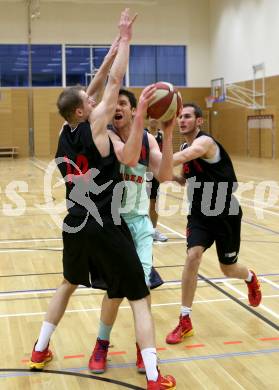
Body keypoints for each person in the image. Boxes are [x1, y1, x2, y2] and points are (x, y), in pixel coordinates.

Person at [28, 9, 175, 390]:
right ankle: (156, 376)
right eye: (89, 103)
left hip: (74, 222)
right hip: (107, 224)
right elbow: (113, 83)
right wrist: (125, 40)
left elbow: (92, 89)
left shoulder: (66, 130)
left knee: (67, 283)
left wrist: (109, 51)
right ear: (83, 111)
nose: (96, 103)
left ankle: (40, 349)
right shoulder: (98, 130)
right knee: (139, 298)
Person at [88, 88, 176, 380]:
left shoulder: (148, 139)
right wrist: (141, 117)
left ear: (133, 108)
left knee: (142, 290)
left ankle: (144, 346)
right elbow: (126, 159)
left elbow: (163, 175)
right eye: (115, 103)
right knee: (114, 292)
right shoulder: (107, 135)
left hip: (138, 224)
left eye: (124, 103)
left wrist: (168, 131)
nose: (118, 107)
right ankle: (101, 343)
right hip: (113, 224)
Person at [166, 103, 262, 345]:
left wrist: (160, 160)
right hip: (199, 214)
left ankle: (250, 277)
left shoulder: (205, 143)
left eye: (187, 116)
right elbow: (185, 177)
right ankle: (185, 319)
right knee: (192, 256)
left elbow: (186, 156)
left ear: (199, 121)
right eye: (180, 117)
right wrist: (172, 176)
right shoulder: (184, 146)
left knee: (228, 269)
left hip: (225, 212)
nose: (182, 120)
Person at [147, 118, 168, 242]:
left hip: (155, 174)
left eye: (156, 118)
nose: (154, 120)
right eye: (151, 117)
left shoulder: (162, 135)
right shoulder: (143, 134)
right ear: (148, 120)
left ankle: (153, 230)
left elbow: (165, 154)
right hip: (142, 173)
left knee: (154, 203)